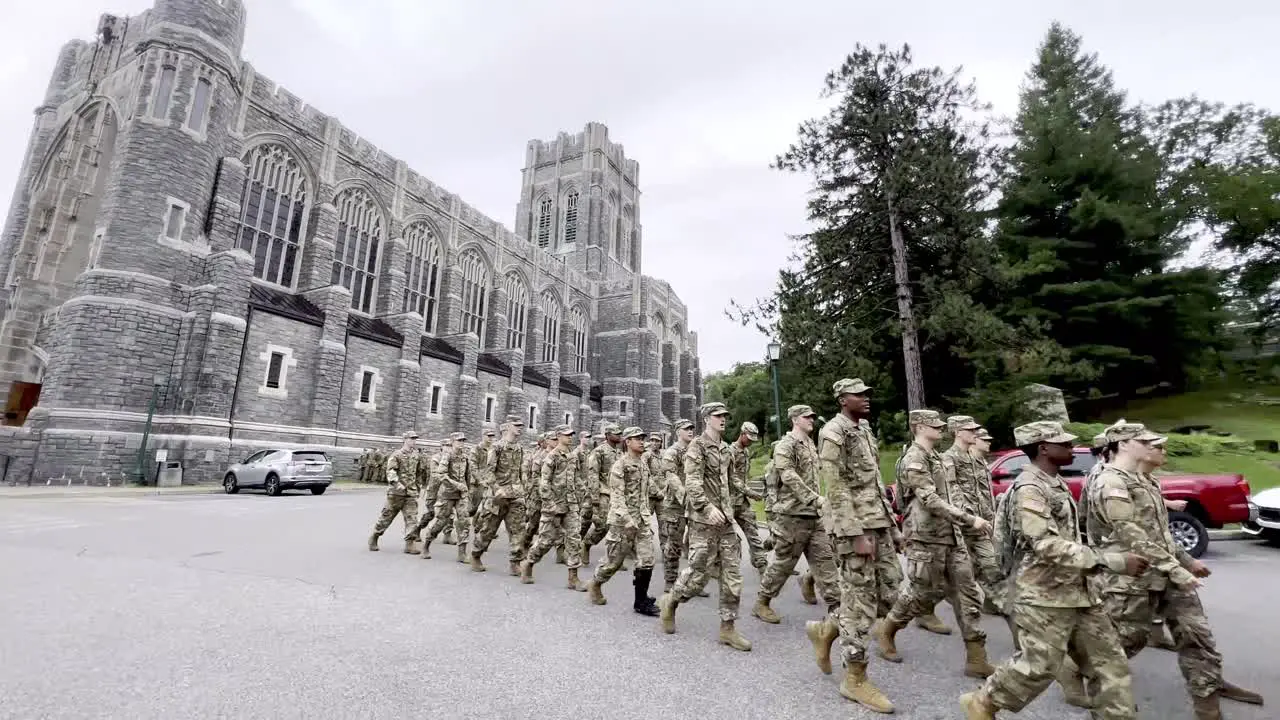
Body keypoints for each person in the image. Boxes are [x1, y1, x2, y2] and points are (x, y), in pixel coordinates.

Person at [960, 421, 1147, 720]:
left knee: (1110, 664)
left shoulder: (1053, 481)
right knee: (1039, 666)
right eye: (1065, 443)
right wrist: (1112, 561)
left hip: (1079, 594)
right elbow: (1043, 544)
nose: (1072, 447)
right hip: (1043, 595)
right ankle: (984, 702)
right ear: (1043, 448)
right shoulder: (1030, 488)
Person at [1082, 422, 1263, 718]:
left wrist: (1186, 561)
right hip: (1132, 578)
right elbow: (1129, 532)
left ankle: (1208, 703)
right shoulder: (1109, 482)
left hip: (1168, 573)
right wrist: (1176, 568)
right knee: (1123, 644)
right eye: (1146, 442)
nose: (1156, 446)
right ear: (1125, 444)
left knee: (1196, 634)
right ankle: (1106, 706)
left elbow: (1159, 532)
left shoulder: (1146, 480)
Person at [875, 409, 994, 679]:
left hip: (952, 536)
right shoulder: (914, 459)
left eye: (941, 425)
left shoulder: (937, 457)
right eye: (934, 425)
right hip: (925, 537)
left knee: (969, 595)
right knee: (920, 592)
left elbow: (952, 493)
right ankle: (888, 629)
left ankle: (977, 659)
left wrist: (968, 520)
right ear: (918, 427)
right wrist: (968, 519)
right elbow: (929, 499)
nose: (940, 428)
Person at [813, 378, 903, 713]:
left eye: (868, 393)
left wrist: (892, 528)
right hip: (855, 530)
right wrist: (853, 533)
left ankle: (827, 630)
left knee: (889, 592)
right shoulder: (833, 432)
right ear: (841, 399)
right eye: (858, 394)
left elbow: (876, 482)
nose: (866, 398)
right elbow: (835, 486)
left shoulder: (863, 429)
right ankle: (855, 678)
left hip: (877, 523)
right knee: (861, 602)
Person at [659, 402, 751, 651]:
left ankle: (728, 629)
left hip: (726, 522)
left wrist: (747, 491)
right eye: (718, 416)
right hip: (703, 521)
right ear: (707, 418)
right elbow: (692, 482)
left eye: (725, 416)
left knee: (733, 576)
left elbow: (731, 481)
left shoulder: (726, 449)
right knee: (697, 575)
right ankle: (672, 600)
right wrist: (707, 508)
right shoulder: (696, 447)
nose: (723, 419)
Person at [754, 406, 840, 628]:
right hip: (792, 515)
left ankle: (836, 608)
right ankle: (762, 602)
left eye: (813, 416)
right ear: (794, 419)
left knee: (826, 561)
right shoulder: (786, 445)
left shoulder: (810, 444)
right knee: (783, 563)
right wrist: (815, 499)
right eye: (807, 417)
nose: (811, 420)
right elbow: (789, 476)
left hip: (813, 515)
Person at [587, 427, 660, 616]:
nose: (642, 442)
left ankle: (641, 601)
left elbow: (649, 488)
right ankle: (595, 583)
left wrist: (662, 495)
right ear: (627, 442)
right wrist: (627, 518)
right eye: (637, 439)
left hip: (641, 521)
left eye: (643, 438)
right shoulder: (620, 465)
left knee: (647, 560)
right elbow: (617, 496)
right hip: (622, 523)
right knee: (613, 563)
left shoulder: (643, 464)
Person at [943, 415, 1002, 615]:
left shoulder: (974, 459)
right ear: (958, 432)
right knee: (962, 571)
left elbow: (981, 493)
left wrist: (990, 517)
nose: (975, 432)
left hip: (981, 524)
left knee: (990, 564)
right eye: (970, 429)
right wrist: (969, 518)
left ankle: (995, 602)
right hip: (962, 525)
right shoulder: (949, 459)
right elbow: (952, 492)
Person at [520, 424, 585, 589]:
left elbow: (575, 477)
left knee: (574, 539)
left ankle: (573, 578)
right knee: (546, 541)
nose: (570, 437)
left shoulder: (572, 455)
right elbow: (544, 483)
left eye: (571, 434)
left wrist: (582, 492)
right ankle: (528, 563)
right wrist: (550, 504)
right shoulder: (552, 456)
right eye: (566, 435)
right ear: (559, 436)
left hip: (571, 504)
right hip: (554, 505)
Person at [470, 416, 527, 576]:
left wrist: (523, 489)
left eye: (521, 425)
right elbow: (489, 472)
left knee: (518, 530)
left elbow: (520, 472)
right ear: (508, 427)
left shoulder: (519, 448)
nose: (520, 428)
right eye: (516, 425)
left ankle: (515, 563)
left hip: (515, 494)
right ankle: (476, 554)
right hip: (497, 495)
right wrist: (497, 488)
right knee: (488, 529)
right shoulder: (497, 447)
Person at [420, 432, 473, 562]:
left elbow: (467, 476)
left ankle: (462, 553)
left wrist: (467, 490)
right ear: (453, 442)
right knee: (441, 521)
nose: (461, 443)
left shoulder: (465, 457)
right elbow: (441, 475)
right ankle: (426, 545)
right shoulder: (447, 456)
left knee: (464, 522)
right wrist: (457, 485)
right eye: (459, 441)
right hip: (447, 494)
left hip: (461, 495)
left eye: (463, 441)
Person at [367, 431, 423, 553]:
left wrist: (418, 487)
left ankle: (409, 544)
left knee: (412, 519)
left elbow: (418, 472)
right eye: (412, 438)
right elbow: (391, 471)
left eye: (415, 439)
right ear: (405, 439)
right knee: (386, 517)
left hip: (410, 493)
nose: (414, 441)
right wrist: (397, 483)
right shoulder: (396, 455)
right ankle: (375, 536)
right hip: (396, 493)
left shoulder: (416, 455)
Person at [727, 421, 768, 577]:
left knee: (753, 533)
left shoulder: (746, 452)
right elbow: (732, 478)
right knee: (727, 539)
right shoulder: (729, 451)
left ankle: (762, 565)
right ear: (742, 434)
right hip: (729, 501)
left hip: (743, 502)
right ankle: (720, 568)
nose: (751, 441)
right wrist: (750, 492)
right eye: (749, 438)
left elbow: (745, 476)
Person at [659, 419, 695, 591]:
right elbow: (671, 477)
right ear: (677, 432)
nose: (690, 431)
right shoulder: (671, 452)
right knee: (674, 543)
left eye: (692, 428)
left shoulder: (696, 451)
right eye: (686, 429)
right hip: (676, 504)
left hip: (695, 502)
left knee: (697, 544)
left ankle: (693, 580)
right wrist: (684, 496)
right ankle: (670, 579)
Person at [582, 424, 623, 565]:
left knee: (617, 526)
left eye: (620, 433)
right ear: (608, 435)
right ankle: (586, 544)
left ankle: (613, 558)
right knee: (602, 526)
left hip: (616, 494)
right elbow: (593, 475)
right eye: (616, 433)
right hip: (602, 493)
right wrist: (594, 498)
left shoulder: (619, 453)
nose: (619, 436)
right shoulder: (599, 452)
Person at [643, 433, 668, 556]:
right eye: (652, 440)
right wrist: (656, 491)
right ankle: (644, 550)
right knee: (645, 524)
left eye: (657, 441)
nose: (654, 443)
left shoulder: (664, 456)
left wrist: (664, 491)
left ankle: (665, 551)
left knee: (664, 525)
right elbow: (646, 475)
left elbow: (668, 473)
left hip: (662, 496)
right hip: (649, 496)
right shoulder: (646, 455)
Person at [470, 426, 497, 521]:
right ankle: (473, 520)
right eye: (488, 436)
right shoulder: (476, 449)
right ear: (483, 436)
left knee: (488, 507)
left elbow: (494, 466)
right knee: (472, 508)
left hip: (489, 482)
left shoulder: (494, 450)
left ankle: (480, 527)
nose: (491, 438)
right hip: (478, 483)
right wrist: (480, 480)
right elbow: (473, 467)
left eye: (492, 436)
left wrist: (491, 480)